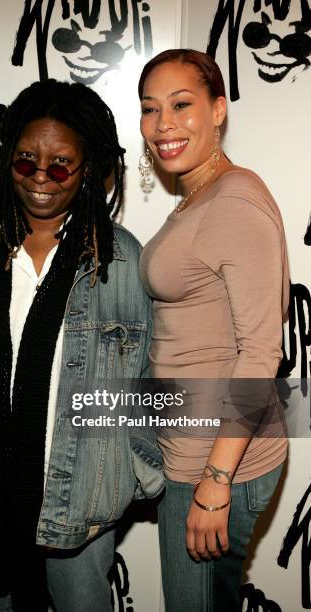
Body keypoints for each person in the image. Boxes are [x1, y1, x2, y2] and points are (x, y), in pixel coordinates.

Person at [0, 79, 163, 612]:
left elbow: (150, 374)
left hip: (79, 499)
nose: (41, 178)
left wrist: (136, 467)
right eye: (26, 161)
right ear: (8, 161)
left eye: (61, 163)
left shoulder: (121, 263)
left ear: (88, 167)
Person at [137, 49, 290, 612]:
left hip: (218, 459)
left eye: (182, 105)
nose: (164, 125)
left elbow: (259, 353)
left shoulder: (234, 200)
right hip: (192, 449)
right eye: (151, 110)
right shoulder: (198, 195)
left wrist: (216, 481)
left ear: (219, 109)